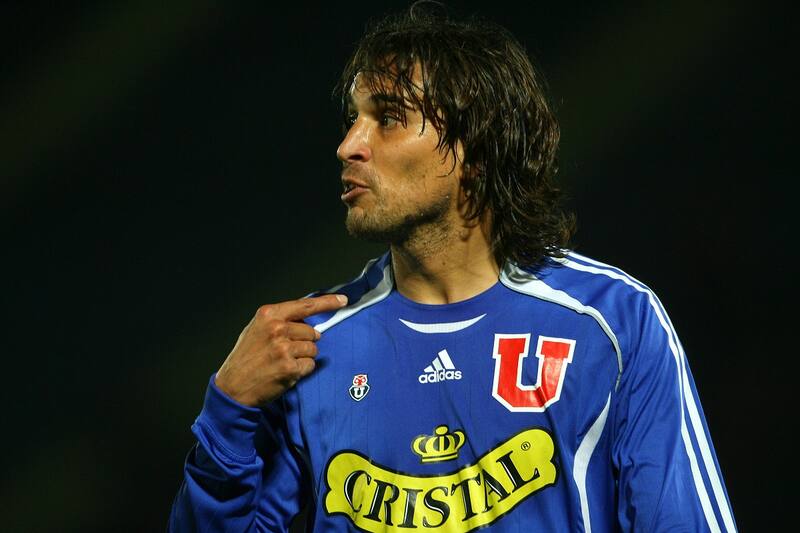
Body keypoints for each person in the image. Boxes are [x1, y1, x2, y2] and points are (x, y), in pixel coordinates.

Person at [168, 2, 736, 531]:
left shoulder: (611, 323)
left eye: (387, 118)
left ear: (475, 146)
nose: (348, 145)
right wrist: (229, 409)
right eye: (353, 119)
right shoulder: (308, 348)